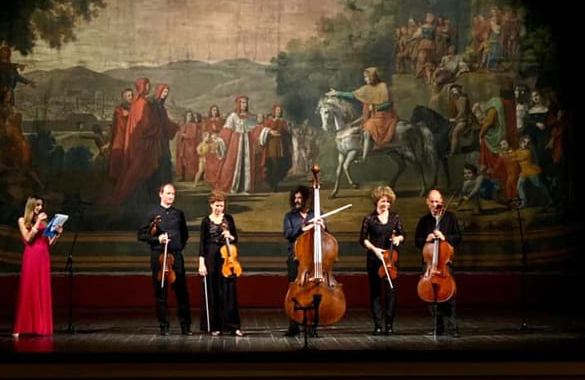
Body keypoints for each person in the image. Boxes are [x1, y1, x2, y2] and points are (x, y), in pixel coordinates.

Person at [137, 183, 191, 336]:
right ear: (160, 194)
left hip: (175, 256)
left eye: (173, 194)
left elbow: (185, 235)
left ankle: (185, 327)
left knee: (182, 293)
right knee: (161, 293)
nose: (171, 196)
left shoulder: (179, 214)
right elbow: (141, 235)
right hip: (158, 257)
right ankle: (164, 326)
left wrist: (178, 247)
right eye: (168, 193)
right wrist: (157, 239)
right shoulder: (152, 214)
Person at [13, 197, 63, 338]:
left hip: (44, 257)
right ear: (31, 206)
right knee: (29, 289)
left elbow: (48, 243)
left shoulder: (45, 222)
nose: (40, 208)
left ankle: (41, 327)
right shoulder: (22, 220)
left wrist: (57, 235)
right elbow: (28, 239)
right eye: (37, 205)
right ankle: (22, 327)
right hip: (31, 257)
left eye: (41, 205)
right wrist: (39, 223)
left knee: (42, 289)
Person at [326, 67, 399, 162]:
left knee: (368, 128)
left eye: (367, 77)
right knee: (362, 126)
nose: (365, 79)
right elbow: (352, 95)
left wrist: (376, 107)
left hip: (384, 116)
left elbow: (388, 103)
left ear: (373, 77)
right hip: (373, 117)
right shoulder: (366, 89)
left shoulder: (382, 86)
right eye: (365, 77)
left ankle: (364, 158)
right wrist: (337, 93)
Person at [414, 190, 461, 337]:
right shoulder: (424, 220)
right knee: (431, 297)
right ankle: (437, 328)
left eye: (437, 201)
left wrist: (444, 237)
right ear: (427, 202)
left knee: (450, 297)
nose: (435, 204)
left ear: (442, 201)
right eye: (432, 202)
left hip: (444, 264)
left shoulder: (450, 218)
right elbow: (417, 241)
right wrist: (426, 239)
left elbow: (458, 237)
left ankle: (453, 328)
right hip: (429, 264)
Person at [359, 186, 405, 336]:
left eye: (388, 201)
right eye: (383, 201)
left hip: (391, 260)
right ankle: (378, 325)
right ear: (376, 202)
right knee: (376, 292)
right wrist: (374, 249)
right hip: (375, 259)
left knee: (391, 292)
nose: (386, 204)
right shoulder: (369, 219)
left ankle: (389, 325)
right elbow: (363, 239)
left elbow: (402, 234)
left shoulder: (395, 217)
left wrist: (398, 238)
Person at [282, 185, 327, 337]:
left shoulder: (317, 214)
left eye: (300, 198)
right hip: (295, 259)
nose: (297, 200)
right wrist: (305, 228)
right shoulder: (290, 216)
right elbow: (288, 234)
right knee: (295, 292)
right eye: (295, 198)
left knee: (313, 293)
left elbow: (326, 237)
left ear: (307, 199)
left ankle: (311, 326)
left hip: (313, 260)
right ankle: (293, 325)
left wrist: (323, 226)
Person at [198, 190, 244, 336]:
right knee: (214, 291)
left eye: (221, 206)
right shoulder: (206, 221)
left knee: (229, 291)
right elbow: (202, 243)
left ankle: (234, 326)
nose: (219, 209)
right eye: (217, 206)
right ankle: (215, 326)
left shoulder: (229, 219)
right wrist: (201, 263)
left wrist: (229, 235)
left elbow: (235, 238)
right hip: (211, 257)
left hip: (227, 258)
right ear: (211, 205)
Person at [216, 96, 263, 194]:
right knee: (233, 163)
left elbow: (256, 129)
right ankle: (233, 187)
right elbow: (226, 130)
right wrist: (220, 140)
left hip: (247, 142)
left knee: (246, 164)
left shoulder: (250, 117)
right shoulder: (233, 116)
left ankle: (245, 188)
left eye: (245, 103)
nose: (244, 105)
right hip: (235, 142)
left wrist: (267, 131)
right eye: (242, 103)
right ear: (238, 104)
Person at [259, 104, 292, 192]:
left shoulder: (284, 121)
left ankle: (276, 182)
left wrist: (287, 130)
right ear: (274, 111)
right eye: (277, 110)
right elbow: (263, 130)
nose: (279, 111)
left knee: (280, 164)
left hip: (281, 146)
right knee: (272, 164)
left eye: (280, 110)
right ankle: (272, 183)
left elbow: (288, 133)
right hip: (271, 145)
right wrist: (270, 132)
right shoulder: (269, 121)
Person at [108, 88, 133, 181]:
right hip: (120, 134)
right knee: (117, 154)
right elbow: (116, 122)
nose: (130, 97)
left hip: (131, 135)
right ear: (124, 98)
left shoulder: (135, 108)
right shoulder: (119, 109)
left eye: (131, 95)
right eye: (128, 96)